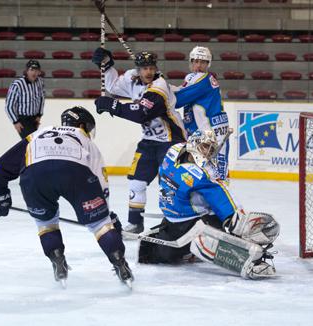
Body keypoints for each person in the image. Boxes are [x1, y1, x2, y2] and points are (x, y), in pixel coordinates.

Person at [0, 106, 133, 287]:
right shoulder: (85, 139)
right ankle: (119, 262)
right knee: (100, 225)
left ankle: (57, 259)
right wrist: (106, 216)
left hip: (35, 175)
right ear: (81, 124)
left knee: (46, 224)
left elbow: (1, 166)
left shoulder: (38, 134)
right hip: (74, 172)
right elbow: (100, 180)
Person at [136, 130, 279, 279]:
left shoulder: (174, 150)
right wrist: (234, 219)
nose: (209, 153)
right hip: (192, 223)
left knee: (165, 253)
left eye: (211, 148)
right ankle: (246, 257)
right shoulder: (203, 172)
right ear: (194, 144)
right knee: (219, 229)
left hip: (172, 217)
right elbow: (220, 196)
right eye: (205, 147)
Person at [92, 49, 186, 234]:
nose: (148, 72)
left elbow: (141, 113)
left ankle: (176, 221)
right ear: (139, 69)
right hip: (149, 141)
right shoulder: (132, 79)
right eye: (144, 68)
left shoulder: (159, 87)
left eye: (151, 68)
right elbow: (112, 86)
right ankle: (135, 223)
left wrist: (112, 105)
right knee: (137, 182)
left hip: (171, 141)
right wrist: (108, 64)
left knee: (169, 184)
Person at [173, 46, 229, 181]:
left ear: (208, 64)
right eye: (196, 61)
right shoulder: (205, 79)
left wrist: (158, 89)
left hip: (209, 135)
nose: (198, 65)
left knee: (208, 176)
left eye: (203, 62)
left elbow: (177, 100)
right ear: (191, 62)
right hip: (215, 130)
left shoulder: (200, 79)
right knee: (217, 175)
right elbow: (181, 90)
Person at [5, 59, 45, 138]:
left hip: (34, 119)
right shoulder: (17, 85)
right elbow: (9, 106)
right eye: (32, 70)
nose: (34, 73)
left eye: (36, 70)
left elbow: (41, 99)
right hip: (23, 119)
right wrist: (15, 122)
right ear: (26, 71)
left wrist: (39, 115)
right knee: (29, 142)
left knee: (33, 143)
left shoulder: (40, 82)